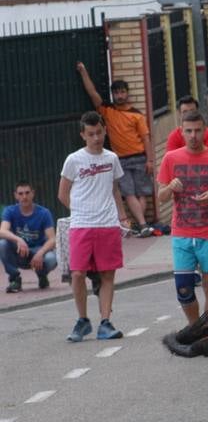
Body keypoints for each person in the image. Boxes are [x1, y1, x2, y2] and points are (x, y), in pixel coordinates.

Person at [156, 111, 208, 324]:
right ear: (181, 132)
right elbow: (161, 197)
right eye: (189, 131)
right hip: (182, 233)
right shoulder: (170, 158)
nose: (193, 136)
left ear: (205, 131)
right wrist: (170, 187)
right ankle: (195, 328)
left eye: (198, 131)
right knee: (183, 288)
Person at [58, 111, 128, 342]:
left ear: (104, 130)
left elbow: (115, 189)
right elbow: (62, 193)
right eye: (91, 134)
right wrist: (79, 211)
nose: (96, 138)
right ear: (83, 135)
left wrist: (122, 217)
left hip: (108, 224)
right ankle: (82, 320)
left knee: (107, 274)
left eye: (99, 132)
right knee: (77, 273)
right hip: (82, 225)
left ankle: (105, 322)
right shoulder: (73, 160)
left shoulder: (112, 158)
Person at [75, 63, 155, 237]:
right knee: (129, 193)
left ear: (127, 93)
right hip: (121, 160)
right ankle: (143, 224)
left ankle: (139, 224)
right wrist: (83, 72)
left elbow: (146, 138)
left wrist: (150, 160)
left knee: (142, 193)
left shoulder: (136, 114)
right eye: (116, 93)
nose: (120, 96)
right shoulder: (108, 111)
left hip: (140, 157)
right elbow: (93, 93)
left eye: (122, 92)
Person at [1, 181, 57, 294]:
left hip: (38, 251)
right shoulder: (10, 211)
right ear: (15, 195)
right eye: (20, 193)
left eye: (27, 193)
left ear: (33, 193)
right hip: (20, 252)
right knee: (2, 244)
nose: (24, 197)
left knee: (52, 258)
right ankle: (15, 279)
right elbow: (2, 231)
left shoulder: (44, 213)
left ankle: (42, 275)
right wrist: (19, 239)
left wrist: (40, 253)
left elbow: (52, 239)